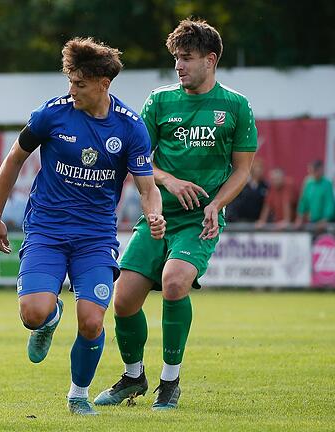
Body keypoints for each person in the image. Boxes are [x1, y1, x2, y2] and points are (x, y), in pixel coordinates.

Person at [0, 37, 165, 416]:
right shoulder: (52, 114)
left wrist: (154, 213)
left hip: (96, 238)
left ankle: (77, 394)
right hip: (47, 231)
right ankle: (49, 319)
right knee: (32, 313)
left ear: (104, 83)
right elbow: (14, 160)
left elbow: (147, 187)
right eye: (69, 81)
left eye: (79, 84)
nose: (71, 91)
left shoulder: (131, 127)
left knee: (91, 321)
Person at [94, 19, 257, 411]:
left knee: (174, 282)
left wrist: (216, 205)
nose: (179, 66)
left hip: (201, 220)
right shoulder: (159, 101)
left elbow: (242, 170)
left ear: (211, 59)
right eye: (176, 59)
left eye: (186, 58)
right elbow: (140, 160)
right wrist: (169, 181)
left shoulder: (235, 105)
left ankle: (170, 382)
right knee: (124, 300)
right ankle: (134, 376)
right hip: (156, 214)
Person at [293, 160, 334, 232]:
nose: (311, 174)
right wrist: (300, 217)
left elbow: (329, 203)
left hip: (325, 223)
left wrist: (325, 219)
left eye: (313, 171)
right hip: (312, 221)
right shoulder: (308, 183)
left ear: (320, 170)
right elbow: (303, 201)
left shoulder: (327, 184)